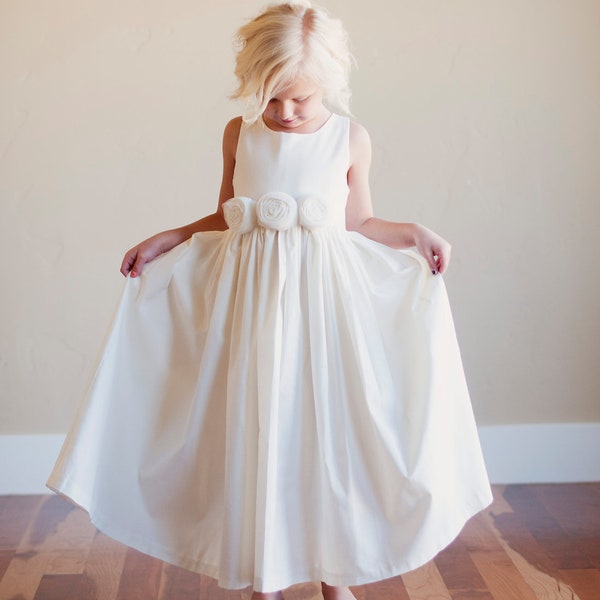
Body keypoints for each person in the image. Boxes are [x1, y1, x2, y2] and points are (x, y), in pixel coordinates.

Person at [48, 2, 493, 599]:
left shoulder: (349, 138)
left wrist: (414, 232)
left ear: (328, 85)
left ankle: (336, 576)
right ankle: (266, 575)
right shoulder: (240, 132)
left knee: (326, 437)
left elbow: (358, 220)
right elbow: (227, 213)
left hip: (325, 314)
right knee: (260, 432)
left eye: (299, 100)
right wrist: (170, 237)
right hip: (251, 310)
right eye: (272, 97)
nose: (284, 112)